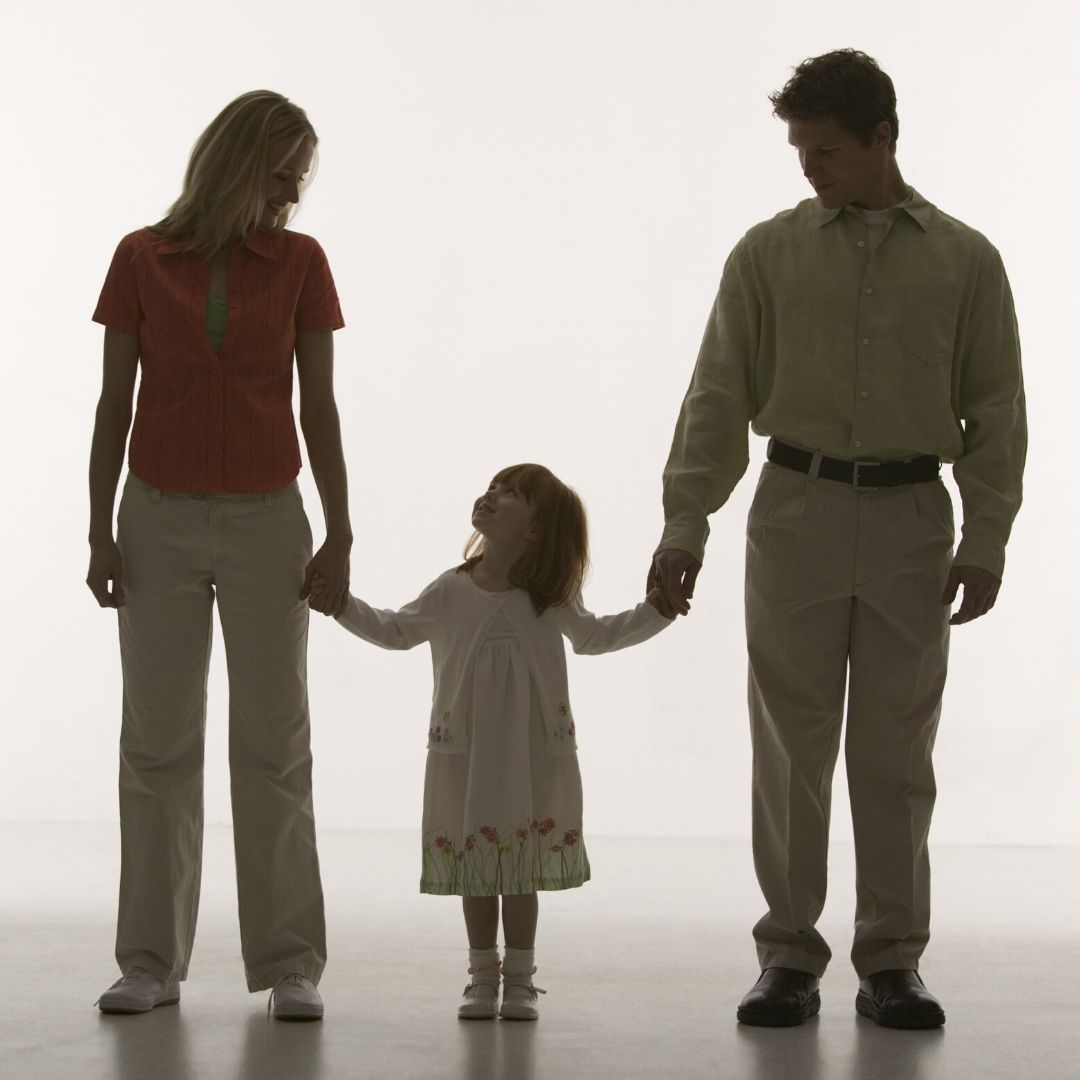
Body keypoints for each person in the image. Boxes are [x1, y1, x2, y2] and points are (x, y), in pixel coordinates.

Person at [648, 49, 1026, 1029]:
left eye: (823, 150)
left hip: (911, 517)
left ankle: (892, 961)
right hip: (796, 508)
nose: (806, 168)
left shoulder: (967, 260)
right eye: (798, 150)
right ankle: (788, 957)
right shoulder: (766, 254)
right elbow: (719, 392)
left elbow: (996, 407)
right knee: (789, 745)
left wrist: (987, 536)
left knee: (896, 752)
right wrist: (685, 520)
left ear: (882, 139)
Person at [86, 90, 352, 1021]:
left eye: (299, 179)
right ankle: (149, 961)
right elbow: (113, 404)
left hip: (268, 517)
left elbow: (317, 404)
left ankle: (290, 962)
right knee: (157, 744)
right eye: (280, 174)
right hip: (154, 514)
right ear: (236, 161)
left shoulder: (303, 262)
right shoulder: (139, 256)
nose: (291, 194)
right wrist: (98, 529)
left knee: (275, 745)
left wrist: (341, 530)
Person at [309, 463, 675, 1020]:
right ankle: (482, 976)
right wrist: (341, 605)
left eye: (510, 494)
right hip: (465, 755)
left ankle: (521, 979)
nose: (492, 496)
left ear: (535, 530)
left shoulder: (549, 598)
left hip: (531, 758)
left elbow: (597, 636)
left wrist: (656, 612)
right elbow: (395, 630)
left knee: (519, 867)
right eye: (493, 488)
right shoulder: (451, 589)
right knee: (477, 867)